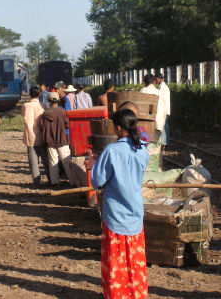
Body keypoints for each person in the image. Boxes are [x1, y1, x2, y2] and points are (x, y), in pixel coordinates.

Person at [90, 109, 149, 299]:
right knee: (135, 260)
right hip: (135, 213)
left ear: (117, 127)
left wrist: (93, 163)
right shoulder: (142, 150)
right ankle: (136, 294)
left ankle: (117, 294)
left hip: (115, 215)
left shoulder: (112, 151)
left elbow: (97, 180)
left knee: (116, 261)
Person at [39, 92, 78, 186]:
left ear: (48, 101)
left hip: (50, 141)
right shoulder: (62, 112)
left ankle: (55, 182)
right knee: (67, 162)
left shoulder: (44, 114)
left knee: (53, 162)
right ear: (58, 100)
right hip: (62, 140)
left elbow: (41, 126)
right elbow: (67, 125)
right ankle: (73, 182)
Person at [21, 86, 50, 185]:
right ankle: (51, 178)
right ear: (39, 95)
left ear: (30, 94)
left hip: (30, 136)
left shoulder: (25, 106)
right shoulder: (43, 106)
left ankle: (36, 181)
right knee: (46, 158)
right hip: (42, 135)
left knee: (33, 160)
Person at [155, 73, 170, 148]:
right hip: (164, 109)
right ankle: (164, 142)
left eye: (156, 78)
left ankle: (164, 143)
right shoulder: (162, 86)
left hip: (164, 109)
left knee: (163, 127)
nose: (155, 80)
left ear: (160, 78)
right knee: (164, 126)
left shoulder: (163, 88)